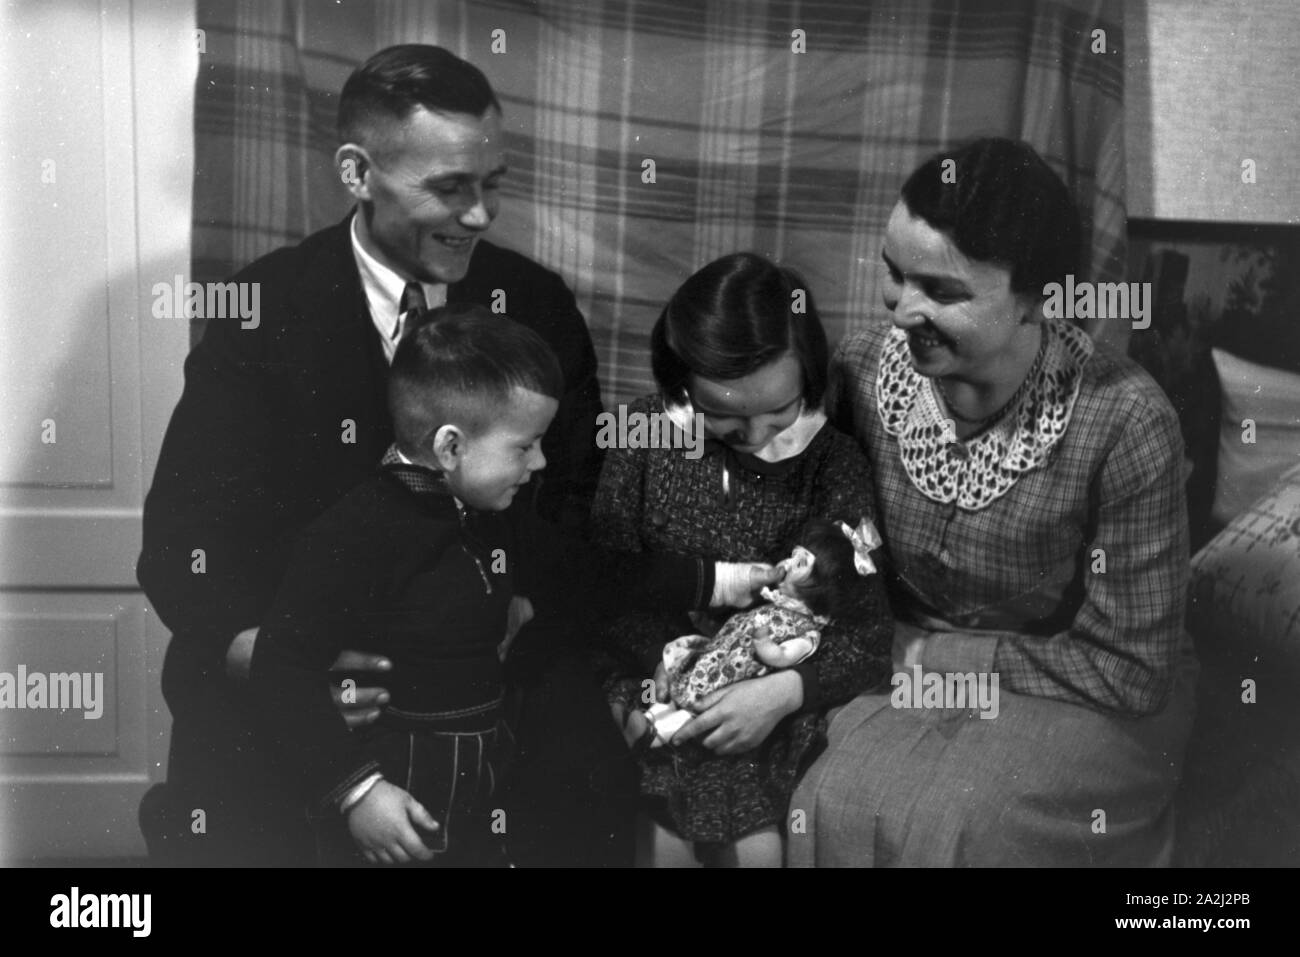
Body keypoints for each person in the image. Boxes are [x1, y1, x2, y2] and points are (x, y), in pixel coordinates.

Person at [137, 44, 613, 866]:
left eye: (491, 184)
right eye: (449, 188)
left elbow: (571, 491)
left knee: (585, 774)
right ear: (357, 172)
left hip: (483, 665)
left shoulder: (533, 302)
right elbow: (184, 540)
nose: (480, 216)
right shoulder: (262, 313)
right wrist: (280, 662)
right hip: (294, 659)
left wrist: (512, 617)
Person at [788, 138, 1199, 867]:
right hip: (903, 660)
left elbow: (1131, 670)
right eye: (894, 274)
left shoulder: (1129, 421)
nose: (901, 311)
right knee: (826, 797)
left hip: (1085, 688)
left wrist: (929, 656)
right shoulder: (857, 371)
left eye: (942, 291)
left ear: (1036, 298)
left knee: (960, 826)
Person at [249, 307, 734, 866]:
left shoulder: (491, 516)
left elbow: (595, 571)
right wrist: (357, 792)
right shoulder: (351, 534)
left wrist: (725, 581)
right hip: (390, 805)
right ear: (451, 448)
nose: (542, 462)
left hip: (474, 799)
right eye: (524, 447)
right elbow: (279, 667)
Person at [593, 252, 894, 868]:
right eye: (725, 416)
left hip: (770, 704)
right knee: (655, 813)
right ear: (681, 385)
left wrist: (782, 692)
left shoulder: (833, 464)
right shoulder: (641, 435)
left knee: (754, 833)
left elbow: (865, 634)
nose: (757, 436)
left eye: (778, 411)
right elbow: (606, 584)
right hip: (657, 679)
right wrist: (675, 666)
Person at [641, 518, 883, 747]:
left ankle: (655, 733)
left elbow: (782, 656)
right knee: (675, 683)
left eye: (799, 563)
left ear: (822, 589)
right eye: (793, 555)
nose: (787, 563)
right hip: (715, 659)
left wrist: (764, 644)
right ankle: (649, 717)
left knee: (696, 714)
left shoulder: (807, 633)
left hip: (735, 681)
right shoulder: (774, 603)